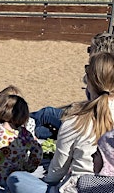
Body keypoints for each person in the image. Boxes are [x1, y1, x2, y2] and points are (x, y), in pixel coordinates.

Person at [0, 32, 114, 139]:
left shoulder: (99, 75)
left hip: (97, 122)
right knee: (46, 129)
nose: (88, 52)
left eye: (90, 49)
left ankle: (2, 124)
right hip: (98, 120)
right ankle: (14, 131)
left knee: (48, 113)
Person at [6, 52, 114, 193]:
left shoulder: (76, 121)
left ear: (90, 80)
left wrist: (49, 183)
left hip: (78, 188)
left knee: (15, 179)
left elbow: (57, 171)